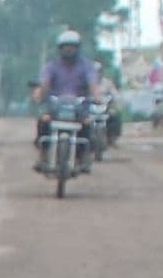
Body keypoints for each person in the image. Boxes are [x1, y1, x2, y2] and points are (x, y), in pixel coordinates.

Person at [31, 29, 106, 174]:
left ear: (77, 48)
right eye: (65, 47)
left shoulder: (87, 66)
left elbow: (93, 85)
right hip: (55, 107)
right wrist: (39, 94)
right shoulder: (51, 66)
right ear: (60, 49)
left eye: (71, 47)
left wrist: (97, 97)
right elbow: (44, 83)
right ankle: (43, 154)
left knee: (88, 125)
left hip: (80, 108)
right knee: (43, 121)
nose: (68, 50)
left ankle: (83, 157)